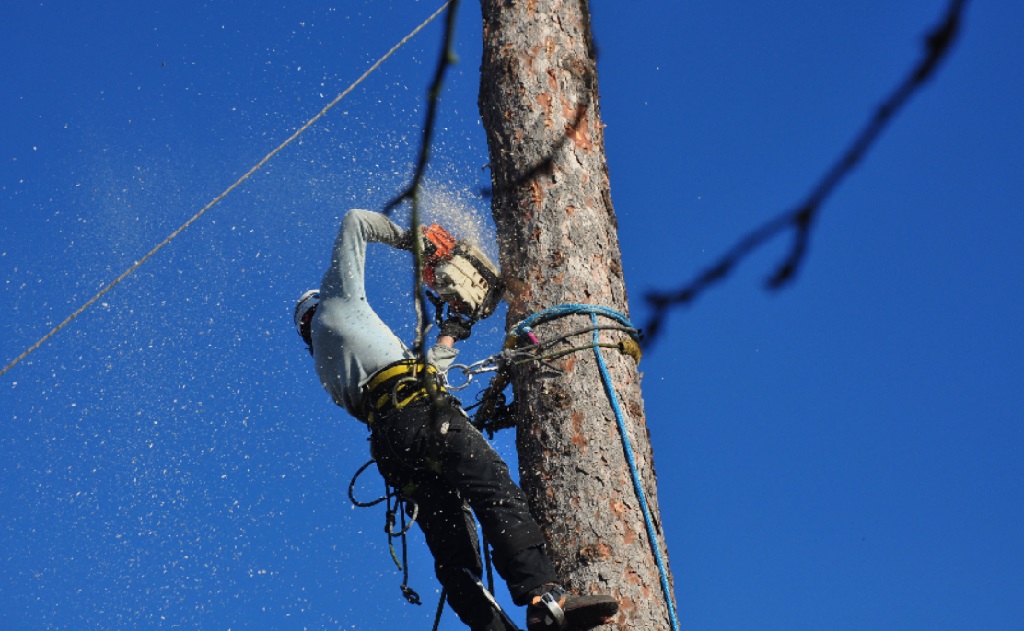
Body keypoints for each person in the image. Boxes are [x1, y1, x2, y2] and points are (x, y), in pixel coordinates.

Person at [294, 209, 618, 630]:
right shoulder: (335, 305)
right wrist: (420, 245)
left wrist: (449, 334)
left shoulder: (330, 366)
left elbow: (416, 380)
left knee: (455, 555)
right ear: (319, 303)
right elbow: (356, 220)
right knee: (492, 488)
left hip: (396, 448)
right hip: (422, 419)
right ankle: (544, 598)